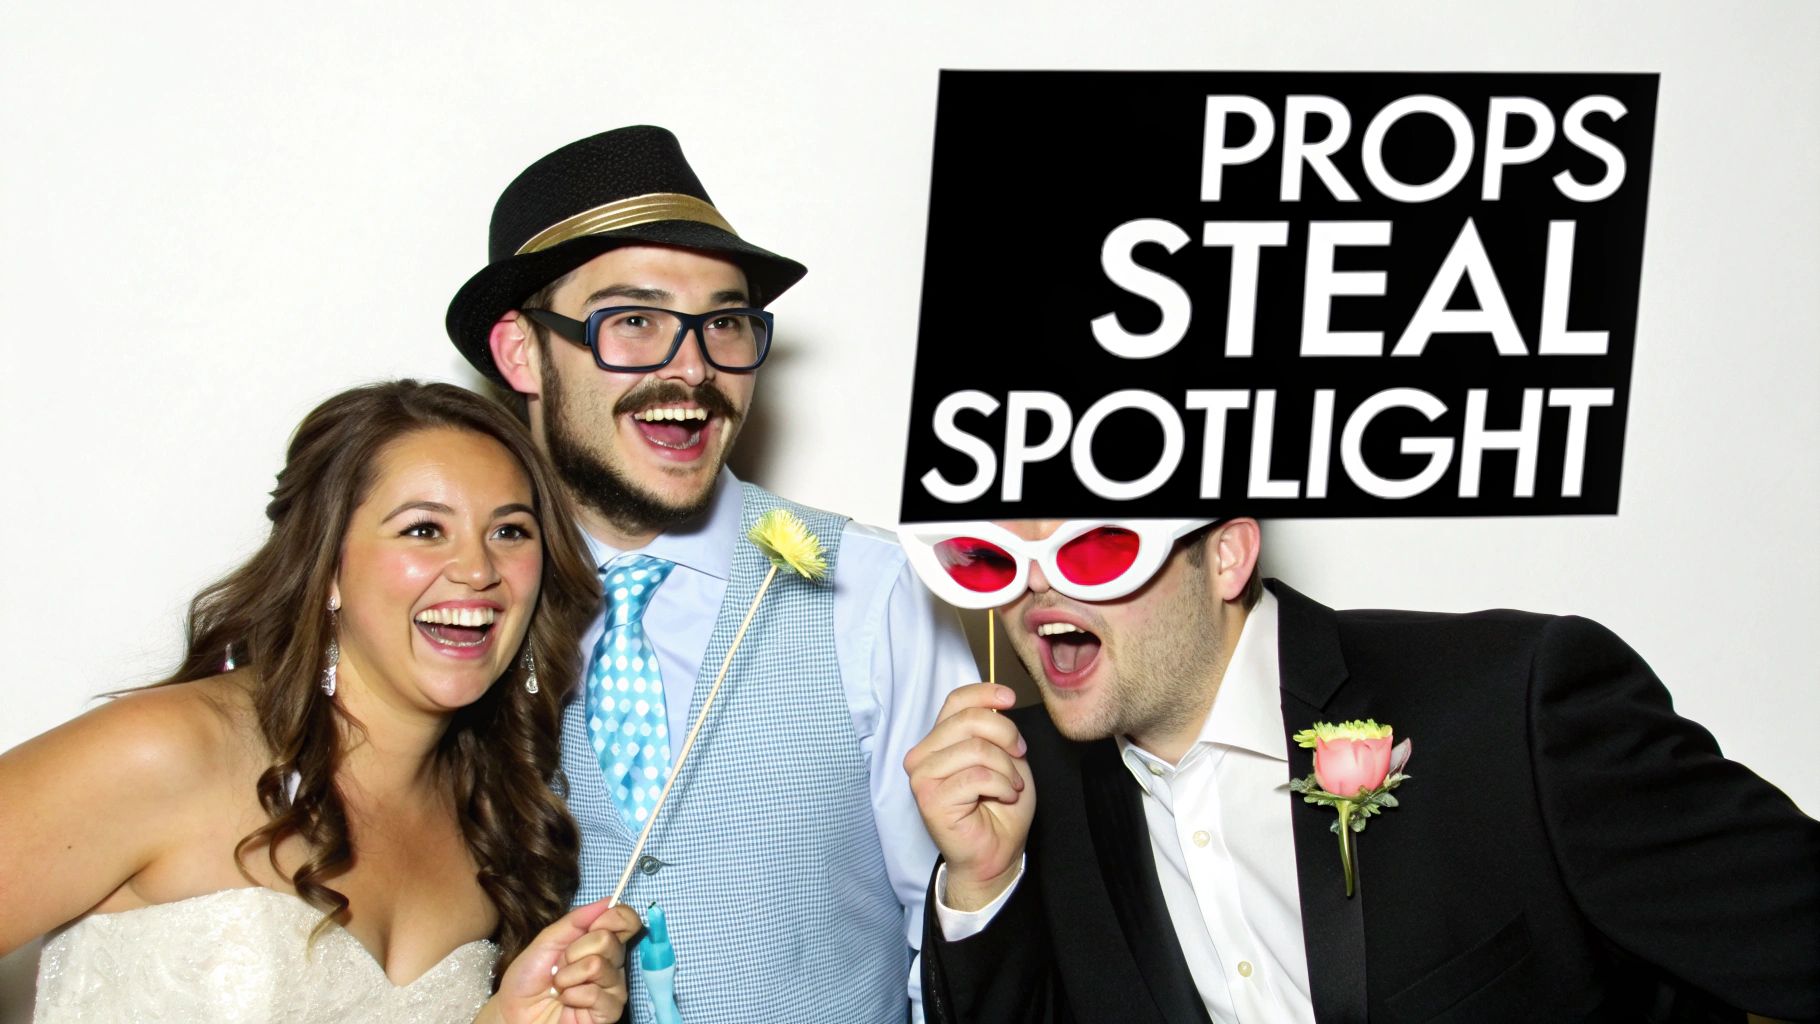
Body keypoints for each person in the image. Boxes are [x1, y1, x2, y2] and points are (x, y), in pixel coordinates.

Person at [444, 125, 976, 1023]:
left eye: (724, 323)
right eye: (634, 322)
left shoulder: (872, 588)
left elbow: (959, 917)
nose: (692, 369)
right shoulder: (461, 606)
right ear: (521, 352)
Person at [901, 518, 1820, 1022]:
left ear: (1225, 555)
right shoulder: (1029, 795)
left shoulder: (1511, 707)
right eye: (995, 560)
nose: (1039, 590)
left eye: (1095, 548)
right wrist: (983, 885)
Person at [0, 381, 645, 1023]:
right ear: (329, 565)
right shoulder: (164, 751)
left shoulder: (494, 820)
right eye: (424, 529)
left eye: (509, 531)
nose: (478, 571)